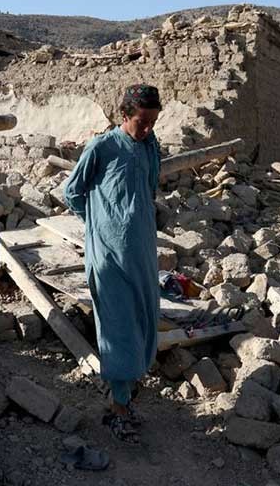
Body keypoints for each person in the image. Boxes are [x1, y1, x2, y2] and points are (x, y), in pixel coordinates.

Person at [63, 84, 162, 443]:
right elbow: (72, 191)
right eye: (141, 122)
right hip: (108, 255)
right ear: (124, 116)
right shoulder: (101, 147)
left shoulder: (151, 145)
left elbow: (149, 190)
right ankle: (119, 409)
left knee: (144, 318)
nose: (147, 128)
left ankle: (125, 395)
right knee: (118, 326)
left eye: (152, 121)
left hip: (142, 252)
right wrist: (100, 223)